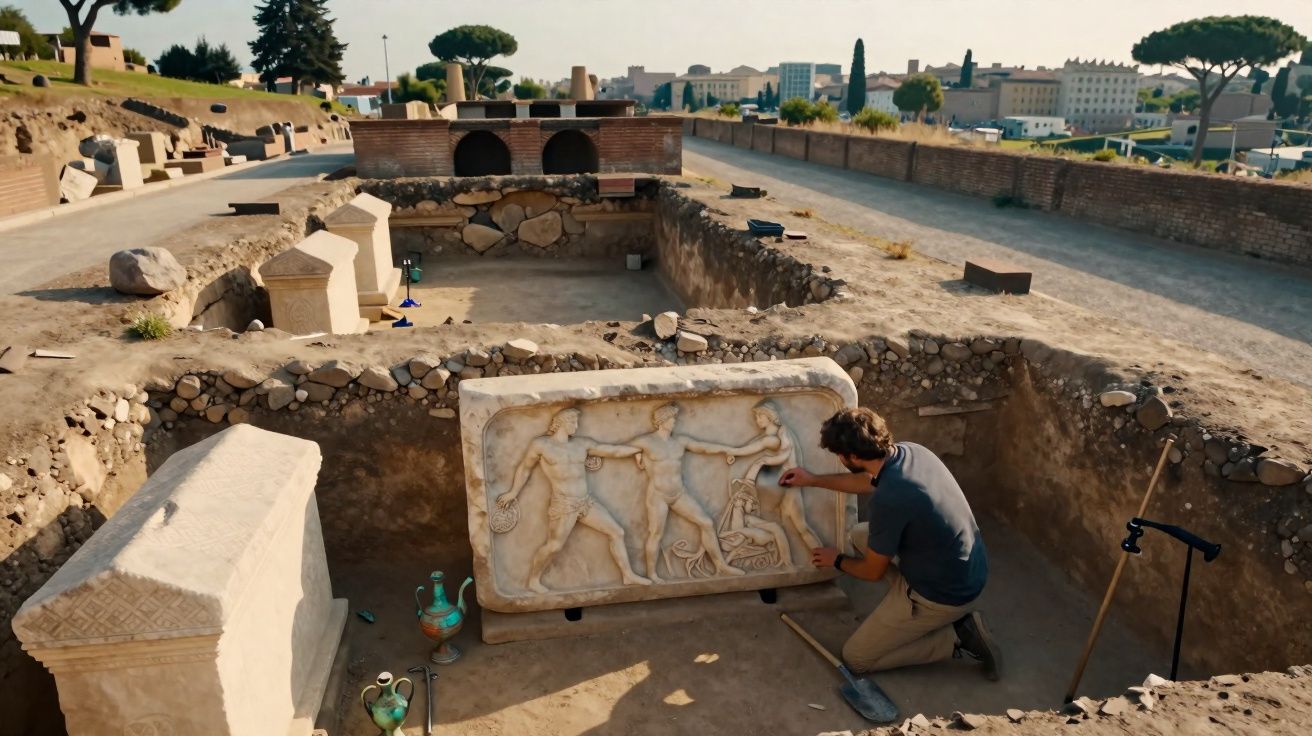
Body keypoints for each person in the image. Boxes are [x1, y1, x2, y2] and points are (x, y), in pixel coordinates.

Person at [779, 407, 1001, 679]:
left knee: (856, 658)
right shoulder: (912, 453)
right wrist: (812, 480)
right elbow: (867, 482)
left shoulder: (890, 499)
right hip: (966, 567)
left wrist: (835, 560)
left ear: (852, 456)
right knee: (860, 535)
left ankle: (957, 637)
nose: (839, 458)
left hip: (945, 593)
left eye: (839, 454)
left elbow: (871, 572)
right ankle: (906, 602)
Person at [497, 407, 651, 593]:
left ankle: (628, 575)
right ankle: (533, 580)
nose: (576, 426)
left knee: (617, 532)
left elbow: (613, 451)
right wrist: (513, 492)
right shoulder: (542, 445)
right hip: (564, 504)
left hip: (585, 502)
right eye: (573, 422)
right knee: (554, 546)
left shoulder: (581, 444)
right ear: (561, 423)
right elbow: (524, 468)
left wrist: (641, 448)